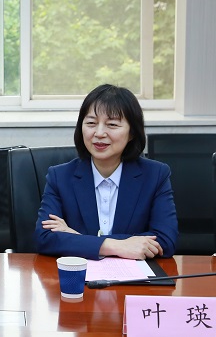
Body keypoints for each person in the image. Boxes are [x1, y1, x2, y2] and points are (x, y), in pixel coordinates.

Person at [35, 84, 178, 260]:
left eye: (112, 124)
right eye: (91, 123)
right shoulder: (60, 177)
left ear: (132, 133)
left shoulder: (155, 175)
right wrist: (115, 246)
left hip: (134, 276)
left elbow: (165, 240)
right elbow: (44, 238)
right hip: (79, 274)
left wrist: (78, 238)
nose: (99, 133)